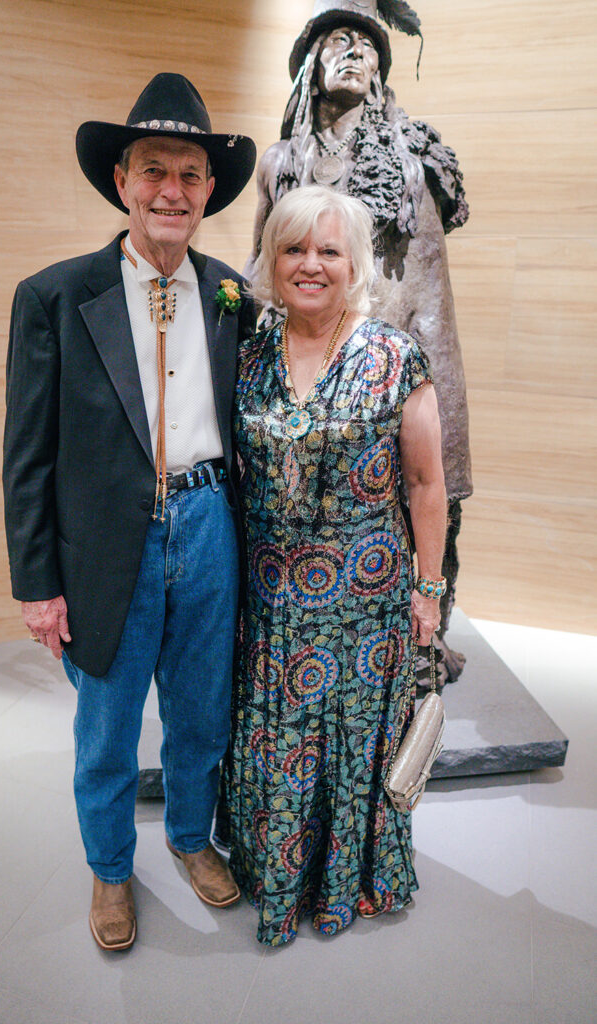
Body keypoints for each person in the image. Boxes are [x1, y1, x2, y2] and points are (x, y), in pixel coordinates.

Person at [2, 73, 256, 951]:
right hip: (105, 550)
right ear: (121, 182)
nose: (171, 192)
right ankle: (111, 869)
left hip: (209, 530)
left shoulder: (233, 297)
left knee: (199, 713)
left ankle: (190, 840)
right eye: (154, 171)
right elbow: (25, 457)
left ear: (209, 192)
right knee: (107, 729)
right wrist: (38, 585)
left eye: (190, 175)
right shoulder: (54, 296)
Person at [217, 185, 447, 946]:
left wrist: (427, 590)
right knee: (276, 741)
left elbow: (425, 484)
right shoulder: (247, 358)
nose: (309, 264)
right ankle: (275, 877)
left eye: (327, 251)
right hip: (271, 601)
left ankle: (346, 882)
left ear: (354, 266)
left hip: (365, 602)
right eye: (292, 248)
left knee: (349, 745)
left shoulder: (392, 356)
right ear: (271, 261)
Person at [247, 0, 471, 683]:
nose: (350, 52)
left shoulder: (414, 154)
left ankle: (424, 635)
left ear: (381, 71)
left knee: (430, 491)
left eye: (365, 44)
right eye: (334, 41)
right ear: (306, 69)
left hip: (402, 343)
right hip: (306, 356)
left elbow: (425, 271)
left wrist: (415, 367)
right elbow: (261, 267)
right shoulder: (282, 160)